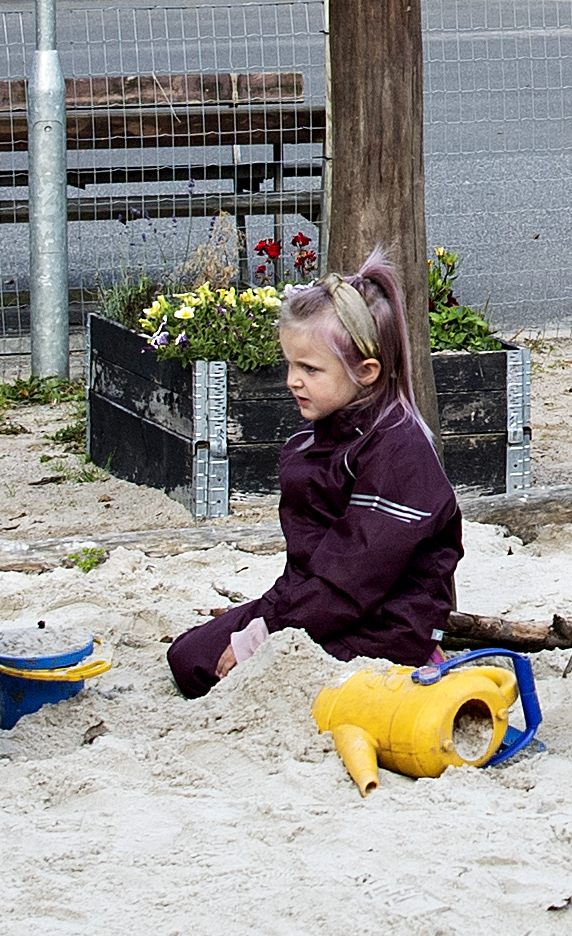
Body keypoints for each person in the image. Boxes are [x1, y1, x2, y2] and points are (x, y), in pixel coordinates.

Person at [167, 256, 459, 697]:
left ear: (367, 372)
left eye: (310, 369)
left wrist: (269, 634)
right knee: (190, 660)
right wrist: (270, 618)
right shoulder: (325, 435)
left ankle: (417, 665)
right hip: (318, 599)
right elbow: (311, 564)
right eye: (290, 365)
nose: (292, 381)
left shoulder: (398, 451)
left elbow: (352, 580)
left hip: (384, 621)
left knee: (248, 679)